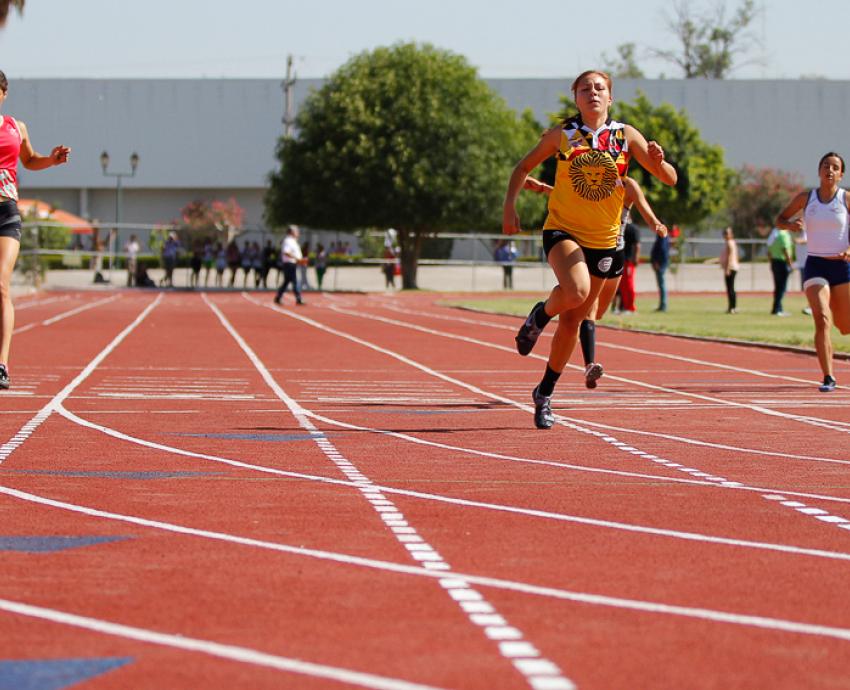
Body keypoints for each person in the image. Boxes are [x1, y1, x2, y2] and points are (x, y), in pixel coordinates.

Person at [503, 69, 677, 428]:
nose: (593, 93)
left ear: (610, 98)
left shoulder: (625, 136)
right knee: (576, 290)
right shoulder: (563, 136)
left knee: (574, 319)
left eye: (600, 88)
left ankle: (545, 392)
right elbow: (522, 168)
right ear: (576, 98)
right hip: (563, 230)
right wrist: (510, 208)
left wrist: (660, 160)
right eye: (585, 89)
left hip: (605, 241)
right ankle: (540, 314)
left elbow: (669, 179)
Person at [524, 174, 666, 389]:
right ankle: (589, 364)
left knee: (597, 313)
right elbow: (571, 198)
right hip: (593, 249)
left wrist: (656, 224)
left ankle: (550, 316)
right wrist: (544, 188)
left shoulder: (629, 185)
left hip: (616, 253)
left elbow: (645, 209)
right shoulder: (594, 176)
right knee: (586, 310)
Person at [0, 70, 70, 389]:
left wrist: (51, 161)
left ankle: (1, 364)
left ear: (4, 93)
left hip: (6, 212)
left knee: (1, 286)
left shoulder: (17, 126)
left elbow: (29, 161)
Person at [775, 151, 850, 392]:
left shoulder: (846, 199)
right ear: (818, 171)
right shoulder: (806, 199)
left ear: (841, 174)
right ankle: (828, 376)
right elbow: (780, 220)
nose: (829, 170)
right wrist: (790, 225)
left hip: (842, 266)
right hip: (816, 264)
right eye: (825, 165)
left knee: (844, 324)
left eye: (835, 167)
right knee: (822, 317)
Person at [766, 224, 794, 316]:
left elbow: (769, 251)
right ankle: (777, 309)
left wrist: (771, 263)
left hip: (774, 262)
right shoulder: (784, 235)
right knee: (782, 287)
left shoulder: (774, 235)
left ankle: (777, 308)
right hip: (782, 263)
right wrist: (790, 264)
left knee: (777, 287)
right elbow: (785, 250)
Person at [274, 225, 305, 305]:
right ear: (291, 232)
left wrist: (300, 260)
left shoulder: (293, 241)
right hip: (289, 264)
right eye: (296, 231)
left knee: (287, 281)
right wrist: (297, 259)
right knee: (294, 281)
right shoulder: (288, 241)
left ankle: (278, 297)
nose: (298, 233)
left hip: (292, 263)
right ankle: (298, 298)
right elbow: (286, 252)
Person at [618, 218, 640, 312]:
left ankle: (630, 307)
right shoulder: (620, 227)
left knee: (628, 284)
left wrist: (636, 258)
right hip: (621, 259)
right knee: (623, 285)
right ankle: (624, 306)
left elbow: (637, 245)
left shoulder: (633, 228)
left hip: (628, 260)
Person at [719, 226, 739, 314]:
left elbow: (730, 256)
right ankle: (732, 307)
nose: (726, 235)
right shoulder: (732, 242)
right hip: (733, 267)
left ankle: (732, 308)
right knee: (731, 288)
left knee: (730, 288)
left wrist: (727, 268)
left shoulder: (729, 243)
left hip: (730, 268)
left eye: (728, 233)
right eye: (725, 233)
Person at [650, 230, 670, 312]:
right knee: (661, 284)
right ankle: (662, 305)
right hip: (662, 263)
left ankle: (663, 305)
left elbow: (661, 250)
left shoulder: (662, 236)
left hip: (660, 263)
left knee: (661, 284)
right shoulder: (663, 236)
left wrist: (657, 262)